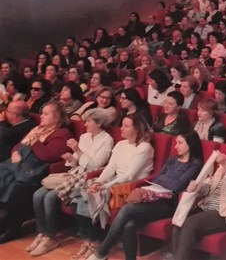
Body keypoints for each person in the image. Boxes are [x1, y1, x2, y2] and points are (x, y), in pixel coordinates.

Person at [85, 131, 203, 260]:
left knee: (127, 209)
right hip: (153, 196)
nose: (176, 146)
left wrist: (165, 181)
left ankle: (102, 252)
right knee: (129, 225)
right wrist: (167, 181)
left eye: (180, 143)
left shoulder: (195, 164)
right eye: (176, 143)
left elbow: (177, 186)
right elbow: (157, 178)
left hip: (169, 203)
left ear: (190, 145)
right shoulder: (172, 160)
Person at [27, 109, 114, 256]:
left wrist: (77, 150)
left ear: (99, 123)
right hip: (73, 174)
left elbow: (94, 166)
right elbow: (75, 162)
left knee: (49, 197)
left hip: (87, 178)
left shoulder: (107, 140)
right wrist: (70, 158)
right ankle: (42, 233)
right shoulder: (85, 136)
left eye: (88, 121)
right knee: (38, 195)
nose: (85, 124)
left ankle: (50, 237)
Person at [70, 113, 154, 256]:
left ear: (137, 129)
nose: (121, 128)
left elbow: (129, 175)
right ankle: (89, 240)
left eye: (126, 126)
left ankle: (96, 241)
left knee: (93, 196)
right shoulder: (121, 144)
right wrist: (98, 182)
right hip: (114, 181)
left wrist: (104, 187)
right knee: (78, 195)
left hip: (130, 186)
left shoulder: (144, 147)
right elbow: (110, 168)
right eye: (122, 125)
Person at [171, 137, 226, 260]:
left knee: (191, 224)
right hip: (206, 207)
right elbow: (209, 186)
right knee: (179, 219)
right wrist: (197, 188)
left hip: (224, 213)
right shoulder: (223, 168)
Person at [0, 101, 73, 243]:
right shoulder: (37, 129)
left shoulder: (63, 133)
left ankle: (11, 227)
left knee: (17, 187)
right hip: (17, 165)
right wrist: (15, 153)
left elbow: (48, 155)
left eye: (46, 114)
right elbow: (18, 145)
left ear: (57, 117)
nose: (42, 117)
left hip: (34, 172)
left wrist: (35, 142)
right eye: (42, 113)